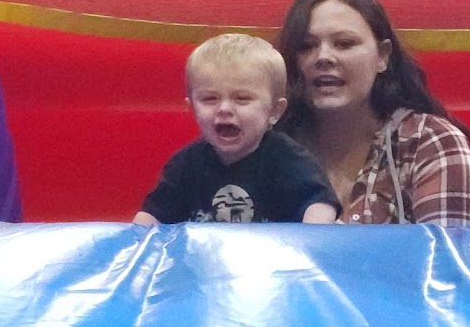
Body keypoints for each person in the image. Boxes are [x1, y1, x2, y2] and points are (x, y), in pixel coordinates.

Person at [277, 0, 470, 226]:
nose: (323, 57)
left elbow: (449, 250)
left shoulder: (429, 142)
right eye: (306, 46)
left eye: (344, 43)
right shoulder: (266, 145)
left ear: (382, 56)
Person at [133, 34, 340, 225]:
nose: (224, 109)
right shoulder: (186, 165)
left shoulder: (288, 160)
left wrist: (310, 237)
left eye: (242, 99)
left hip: (274, 253)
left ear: (275, 111)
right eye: (210, 99)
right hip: (205, 253)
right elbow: (151, 217)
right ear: (193, 109)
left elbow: (321, 207)